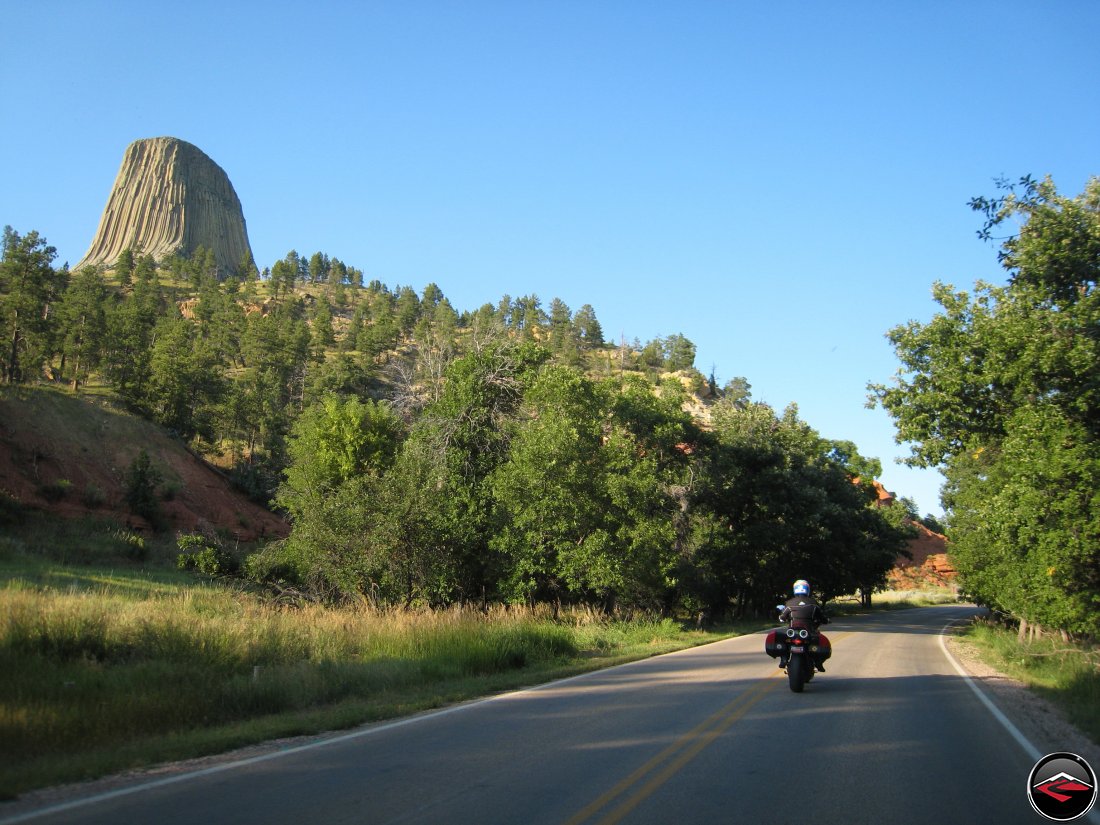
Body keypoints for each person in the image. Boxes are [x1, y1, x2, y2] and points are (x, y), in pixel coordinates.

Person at [779, 579, 830, 671]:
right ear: (807, 589)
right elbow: (822, 617)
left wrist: (781, 618)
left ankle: (784, 659)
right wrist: (826, 620)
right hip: (809, 632)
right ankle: (818, 663)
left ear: (795, 589)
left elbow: (782, 617)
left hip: (792, 633)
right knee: (819, 643)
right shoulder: (813, 603)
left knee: (785, 642)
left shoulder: (789, 603)